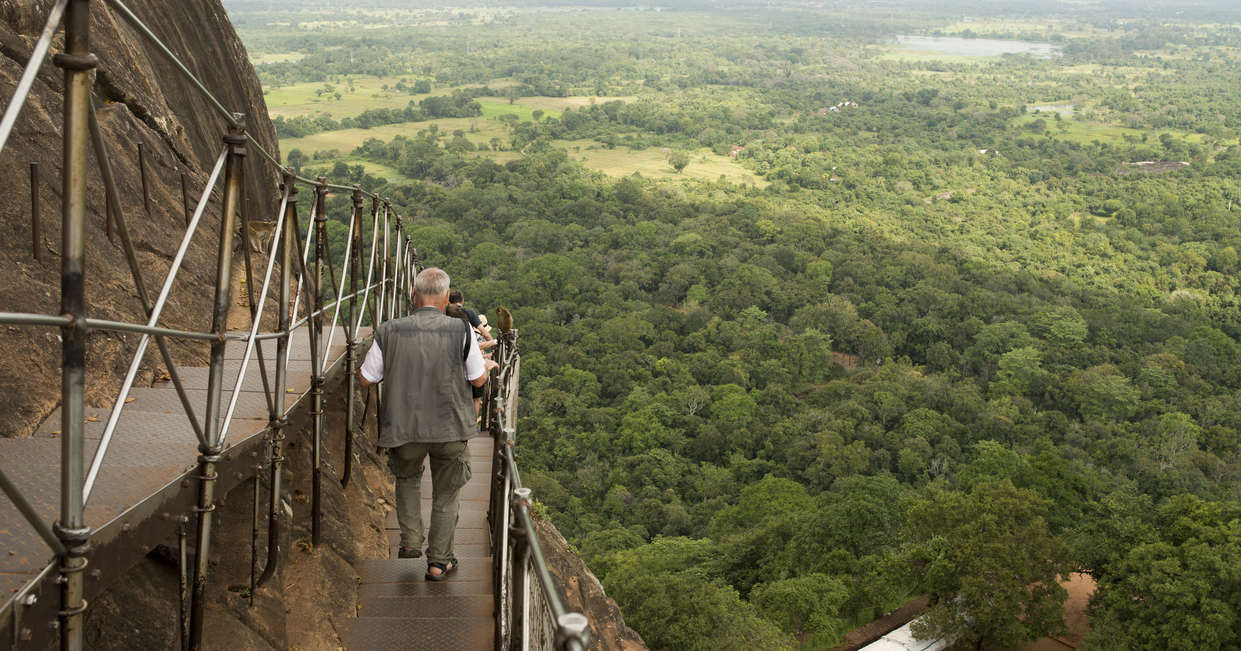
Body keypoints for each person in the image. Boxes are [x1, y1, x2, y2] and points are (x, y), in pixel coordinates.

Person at [358, 267, 497, 580]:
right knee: (447, 493)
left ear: (413, 295)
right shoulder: (460, 331)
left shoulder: (388, 330)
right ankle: (439, 561)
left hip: (404, 426)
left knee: (407, 480)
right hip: (450, 427)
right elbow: (477, 377)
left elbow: (366, 378)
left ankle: (409, 541)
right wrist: (486, 366)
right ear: (447, 297)